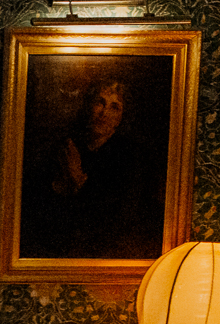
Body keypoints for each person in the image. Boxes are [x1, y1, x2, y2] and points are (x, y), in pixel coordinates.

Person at [19, 76, 163, 260]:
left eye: (114, 107)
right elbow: (38, 209)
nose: (104, 113)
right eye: (100, 103)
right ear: (89, 106)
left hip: (106, 253)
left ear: (121, 117)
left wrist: (76, 178)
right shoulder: (67, 147)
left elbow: (114, 219)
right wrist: (60, 187)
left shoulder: (131, 155)